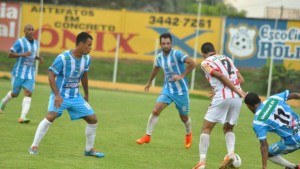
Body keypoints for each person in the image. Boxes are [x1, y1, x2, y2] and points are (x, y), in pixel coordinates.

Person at [28, 32, 105, 158]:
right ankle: (34, 146)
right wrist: (57, 95)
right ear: (80, 44)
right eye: (89, 45)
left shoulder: (86, 59)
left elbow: (84, 76)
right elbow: (51, 75)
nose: (91, 48)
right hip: (61, 95)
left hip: (76, 97)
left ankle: (89, 149)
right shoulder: (63, 58)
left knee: (93, 120)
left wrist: (86, 94)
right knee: (51, 116)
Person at [135, 33, 196, 149]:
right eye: (163, 43)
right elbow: (156, 68)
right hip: (168, 89)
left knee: (184, 117)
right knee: (155, 110)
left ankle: (188, 134)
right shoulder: (159, 57)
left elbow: (193, 63)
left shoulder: (177, 54)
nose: (166, 45)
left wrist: (182, 76)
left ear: (171, 44)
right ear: (160, 44)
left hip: (181, 91)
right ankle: (147, 136)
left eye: (168, 43)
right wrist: (149, 82)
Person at [193, 42, 245, 169]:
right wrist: (237, 90)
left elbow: (220, 75)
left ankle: (202, 163)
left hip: (224, 95)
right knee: (229, 128)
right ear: (215, 50)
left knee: (206, 128)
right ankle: (230, 154)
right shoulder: (226, 58)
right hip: (237, 98)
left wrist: (226, 89)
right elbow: (241, 79)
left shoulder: (205, 63)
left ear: (203, 54)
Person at [244, 91, 300, 169]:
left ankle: (294, 167)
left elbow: (264, 145)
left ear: (249, 106)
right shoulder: (273, 98)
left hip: (294, 141)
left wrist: (264, 166)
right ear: (260, 99)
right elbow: (295, 95)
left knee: (268, 154)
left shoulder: (258, 121)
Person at [0, 24, 44, 123]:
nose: (31, 31)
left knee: (28, 93)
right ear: (24, 31)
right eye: (28, 29)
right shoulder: (20, 42)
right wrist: (22, 54)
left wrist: (38, 58)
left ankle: (22, 117)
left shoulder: (36, 43)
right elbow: (10, 54)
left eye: (32, 29)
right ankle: (3, 102)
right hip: (19, 72)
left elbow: (31, 55)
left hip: (30, 73)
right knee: (15, 94)